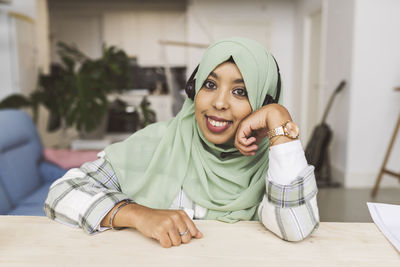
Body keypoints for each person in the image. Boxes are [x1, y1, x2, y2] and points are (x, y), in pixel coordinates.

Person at [44, 37, 319, 248]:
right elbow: (61, 193)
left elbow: (294, 227)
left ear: (263, 102)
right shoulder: (156, 142)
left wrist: (279, 121)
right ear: (193, 90)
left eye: (240, 91)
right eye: (209, 85)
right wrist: (138, 214)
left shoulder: (275, 159)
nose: (219, 102)